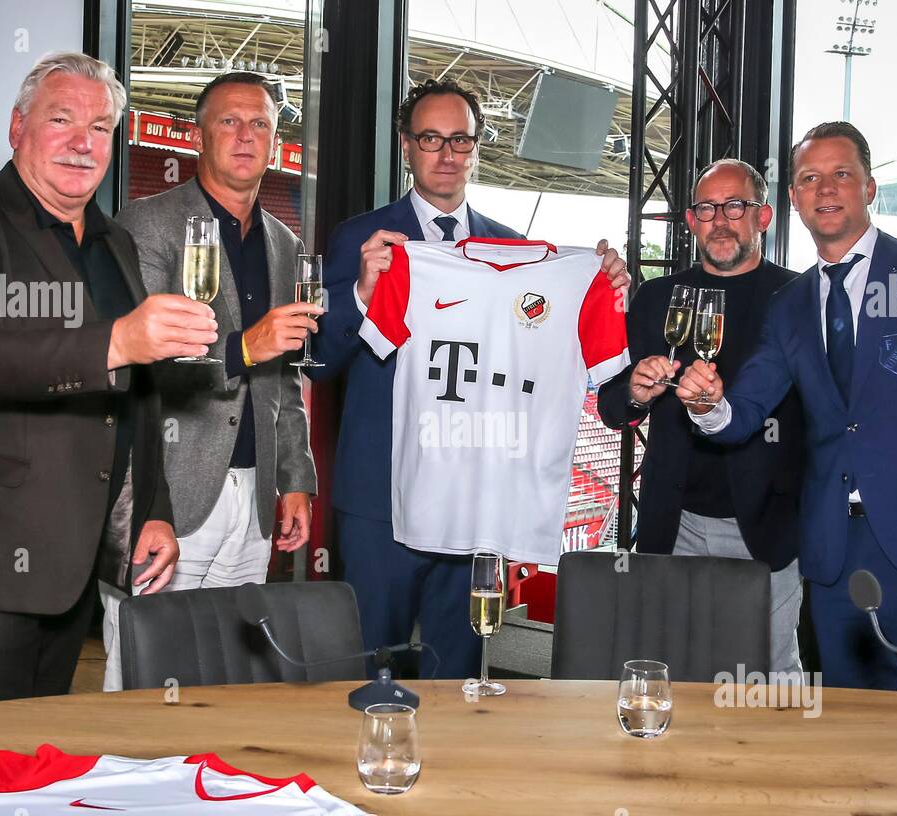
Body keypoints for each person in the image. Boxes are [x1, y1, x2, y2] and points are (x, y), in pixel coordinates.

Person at [0, 52, 216, 708]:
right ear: (16, 127)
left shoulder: (113, 243)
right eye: (62, 120)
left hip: (67, 570)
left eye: (100, 128)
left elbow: (136, 393)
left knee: (31, 771)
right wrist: (118, 339)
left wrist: (153, 513)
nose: (82, 143)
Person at [680, 122, 897, 694]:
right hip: (833, 558)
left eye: (841, 173)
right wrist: (707, 405)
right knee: (856, 744)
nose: (825, 188)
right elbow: (742, 413)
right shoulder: (789, 305)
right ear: (792, 199)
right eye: (809, 178)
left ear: (869, 187)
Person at [307, 78, 629, 678]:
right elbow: (322, 359)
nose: (447, 154)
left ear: (477, 148)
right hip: (381, 498)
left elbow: (559, 355)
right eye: (431, 138)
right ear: (406, 147)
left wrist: (601, 282)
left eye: (461, 139)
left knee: (458, 673)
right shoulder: (361, 239)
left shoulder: (514, 248)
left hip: (475, 499)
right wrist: (360, 291)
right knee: (366, 669)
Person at [104, 74, 318, 689]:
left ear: (276, 144)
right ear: (198, 135)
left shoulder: (284, 243)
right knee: (143, 677)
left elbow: (284, 378)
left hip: (253, 502)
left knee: (228, 677)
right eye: (229, 122)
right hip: (167, 493)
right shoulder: (147, 225)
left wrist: (295, 479)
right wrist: (243, 347)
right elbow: (133, 367)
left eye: (260, 125)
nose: (246, 136)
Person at [597, 158, 804, 678]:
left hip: (767, 526)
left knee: (770, 684)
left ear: (763, 217)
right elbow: (611, 403)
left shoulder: (799, 298)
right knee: (669, 671)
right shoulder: (657, 297)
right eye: (707, 208)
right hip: (675, 523)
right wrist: (639, 393)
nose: (720, 220)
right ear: (690, 221)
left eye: (735, 206)